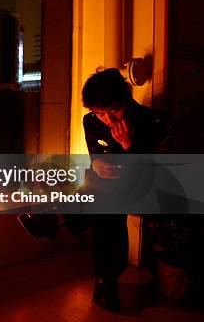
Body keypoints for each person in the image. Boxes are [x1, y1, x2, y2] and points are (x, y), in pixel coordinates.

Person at [19, 68, 173, 312]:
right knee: (106, 212)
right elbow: (96, 158)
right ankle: (104, 284)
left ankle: (57, 217)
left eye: (114, 111)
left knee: (103, 200)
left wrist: (129, 145)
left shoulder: (154, 121)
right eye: (100, 114)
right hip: (110, 191)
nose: (108, 120)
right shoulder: (91, 122)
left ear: (126, 100)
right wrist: (100, 165)